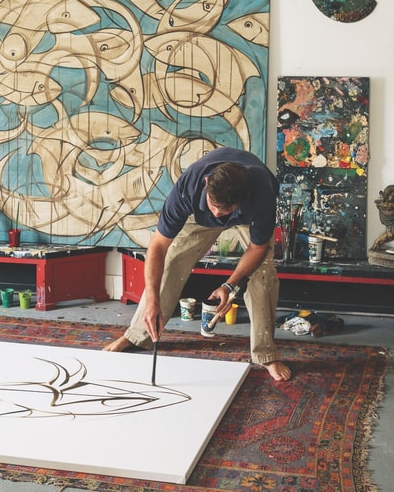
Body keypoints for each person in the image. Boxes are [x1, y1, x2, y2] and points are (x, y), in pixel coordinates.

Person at [104, 146, 292, 381]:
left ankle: (265, 355)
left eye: (224, 211)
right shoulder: (188, 188)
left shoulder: (261, 193)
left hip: (248, 217)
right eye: (213, 206)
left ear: (240, 202)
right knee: (173, 260)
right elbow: (158, 247)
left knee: (263, 275)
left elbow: (257, 248)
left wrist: (229, 285)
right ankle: (136, 335)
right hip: (198, 216)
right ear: (206, 183)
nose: (217, 214)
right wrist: (153, 299)